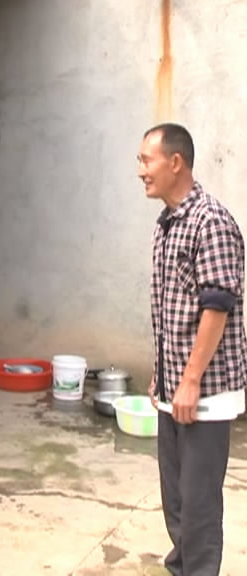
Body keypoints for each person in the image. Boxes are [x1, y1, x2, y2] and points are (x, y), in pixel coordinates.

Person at [140, 123, 246, 576]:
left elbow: (216, 306)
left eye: (147, 160)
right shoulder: (168, 224)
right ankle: (181, 567)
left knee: (199, 505)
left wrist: (189, 380)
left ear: (176, 162)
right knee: (177, 499)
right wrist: (162, 373)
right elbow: (174, 308)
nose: (141, 170)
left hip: (204, 390)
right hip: (175, 388)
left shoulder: (211, 221)